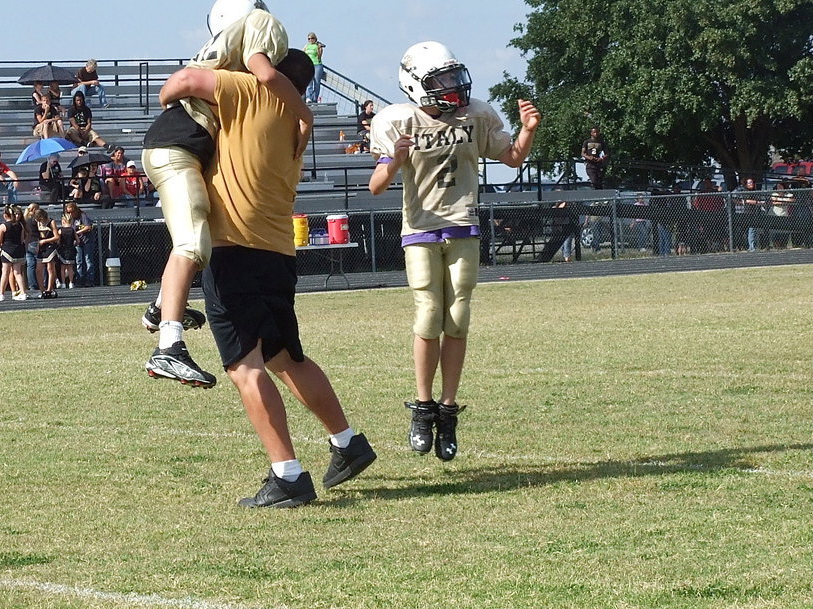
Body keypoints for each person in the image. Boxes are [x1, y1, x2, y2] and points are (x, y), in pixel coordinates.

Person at [156, 48, 375, 507]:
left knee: (244, 366)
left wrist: (225, 62)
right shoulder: (298, 121)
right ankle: (347, 441)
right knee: (285, 357)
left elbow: (179, 84)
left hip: (234, 247)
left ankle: (288, 476)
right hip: (277, 250)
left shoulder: (248, 92)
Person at [368, 41, 540, 464]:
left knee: (458, 316)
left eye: (452, 76)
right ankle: (423, 407)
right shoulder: (399, 121)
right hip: (422, 226)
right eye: (440, 79)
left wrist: (528, 130)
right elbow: (376, 186)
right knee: (428, 313)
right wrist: (394, 160)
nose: (452, 86)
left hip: (462, 222)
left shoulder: (475, 114)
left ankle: (448, 409)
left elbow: (513, 157)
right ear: (415, 84)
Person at [139, 0, 311, 380]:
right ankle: (168, 345)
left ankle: (161, 306)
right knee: (192, 242)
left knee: (195, 229)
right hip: (177, 146)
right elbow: (261, 72)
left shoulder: (223, 59)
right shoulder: (261, 29)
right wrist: (304, 114)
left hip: (181, 145)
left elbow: (181, 84)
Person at [0, 204, 29, 301]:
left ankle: (1, 294)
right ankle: (23, 292)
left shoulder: (3, 226)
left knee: (5, 273)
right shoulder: (20, 225)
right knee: (17, 273)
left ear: (5, 215)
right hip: (18, 251)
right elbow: (22, 239)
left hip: (7, 251)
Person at [30, 205, 60, 298]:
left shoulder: (51, 222)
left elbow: (57, 237)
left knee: (50, 268)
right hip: (41, 247)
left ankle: (49, 289)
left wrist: (45, 241)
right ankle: (42, 289)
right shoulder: (36, 223)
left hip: (50, 246)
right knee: (38, 270)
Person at [67, 201, 99, 286]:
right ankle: (79, 279)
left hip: (87, 241)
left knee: (88, 260)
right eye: (68, 212)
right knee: (79, 261)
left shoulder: (82, 216)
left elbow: (88, 227)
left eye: (71, 212)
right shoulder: (70, 219)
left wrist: (77, 233)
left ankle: (90, 280)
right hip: (78, 242)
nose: (70, 214)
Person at [57, 205, 80, 289]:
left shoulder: (60, 230)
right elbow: (78, 241)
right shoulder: (72, 230)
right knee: (70, 267)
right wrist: (74, 244)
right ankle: (71, 283)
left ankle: (63, 283)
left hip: (63, 250)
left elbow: (58, 240)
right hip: (71, 249)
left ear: (63, 221)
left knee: (63, 267)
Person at [303, 32, 326, 103]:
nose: (310, 40)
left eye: (312, 38)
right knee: (309, 81)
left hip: (317, 64)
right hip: (309, 65)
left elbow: (319, 56)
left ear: (315, 38)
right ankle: (308, 97)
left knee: (317, 82)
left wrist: (319, 48)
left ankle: (314, 98)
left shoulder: (318, 46)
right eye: (309, 39)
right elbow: (303, 53)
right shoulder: (307, 46)